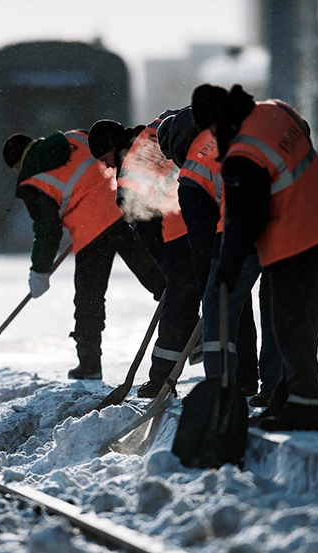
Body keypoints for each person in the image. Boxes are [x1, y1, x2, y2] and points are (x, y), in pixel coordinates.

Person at [190, 83, 318, 431]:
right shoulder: (276, 110)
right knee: (302, 324)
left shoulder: (243, 153)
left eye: (211, 128)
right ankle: (287, 400)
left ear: (217, 120)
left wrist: (229, 265)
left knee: (290, 327)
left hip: (294, 242)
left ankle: (306, 408)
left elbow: (244, 217)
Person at [2, 129, 166, 380]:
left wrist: (39, 271)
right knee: (156, 277)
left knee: (89, 300)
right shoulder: (76, 137)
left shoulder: (32, 180)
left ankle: (90, 364)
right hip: (126, 210)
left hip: (92, 233)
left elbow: (47, 230)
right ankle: (188, 332)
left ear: (17, 164)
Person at [157, 108, 280, 402]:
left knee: (218, 311)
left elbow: (202, 247)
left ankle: (220, 392)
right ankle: (276, 388)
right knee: (276, 309)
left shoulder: (193, 171)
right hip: (292, 220)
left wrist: (206, 292)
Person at [86, 115, 201, 398]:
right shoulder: (156, 129)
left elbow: (152, 241)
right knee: (229, 300)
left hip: (180, 236)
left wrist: (169, 272)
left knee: (178, 305)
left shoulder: (128, 184)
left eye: (105, 158)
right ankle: (242, 377)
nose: (107, 166)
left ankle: (161, 380)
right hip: (212, 219)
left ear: (113, 145)